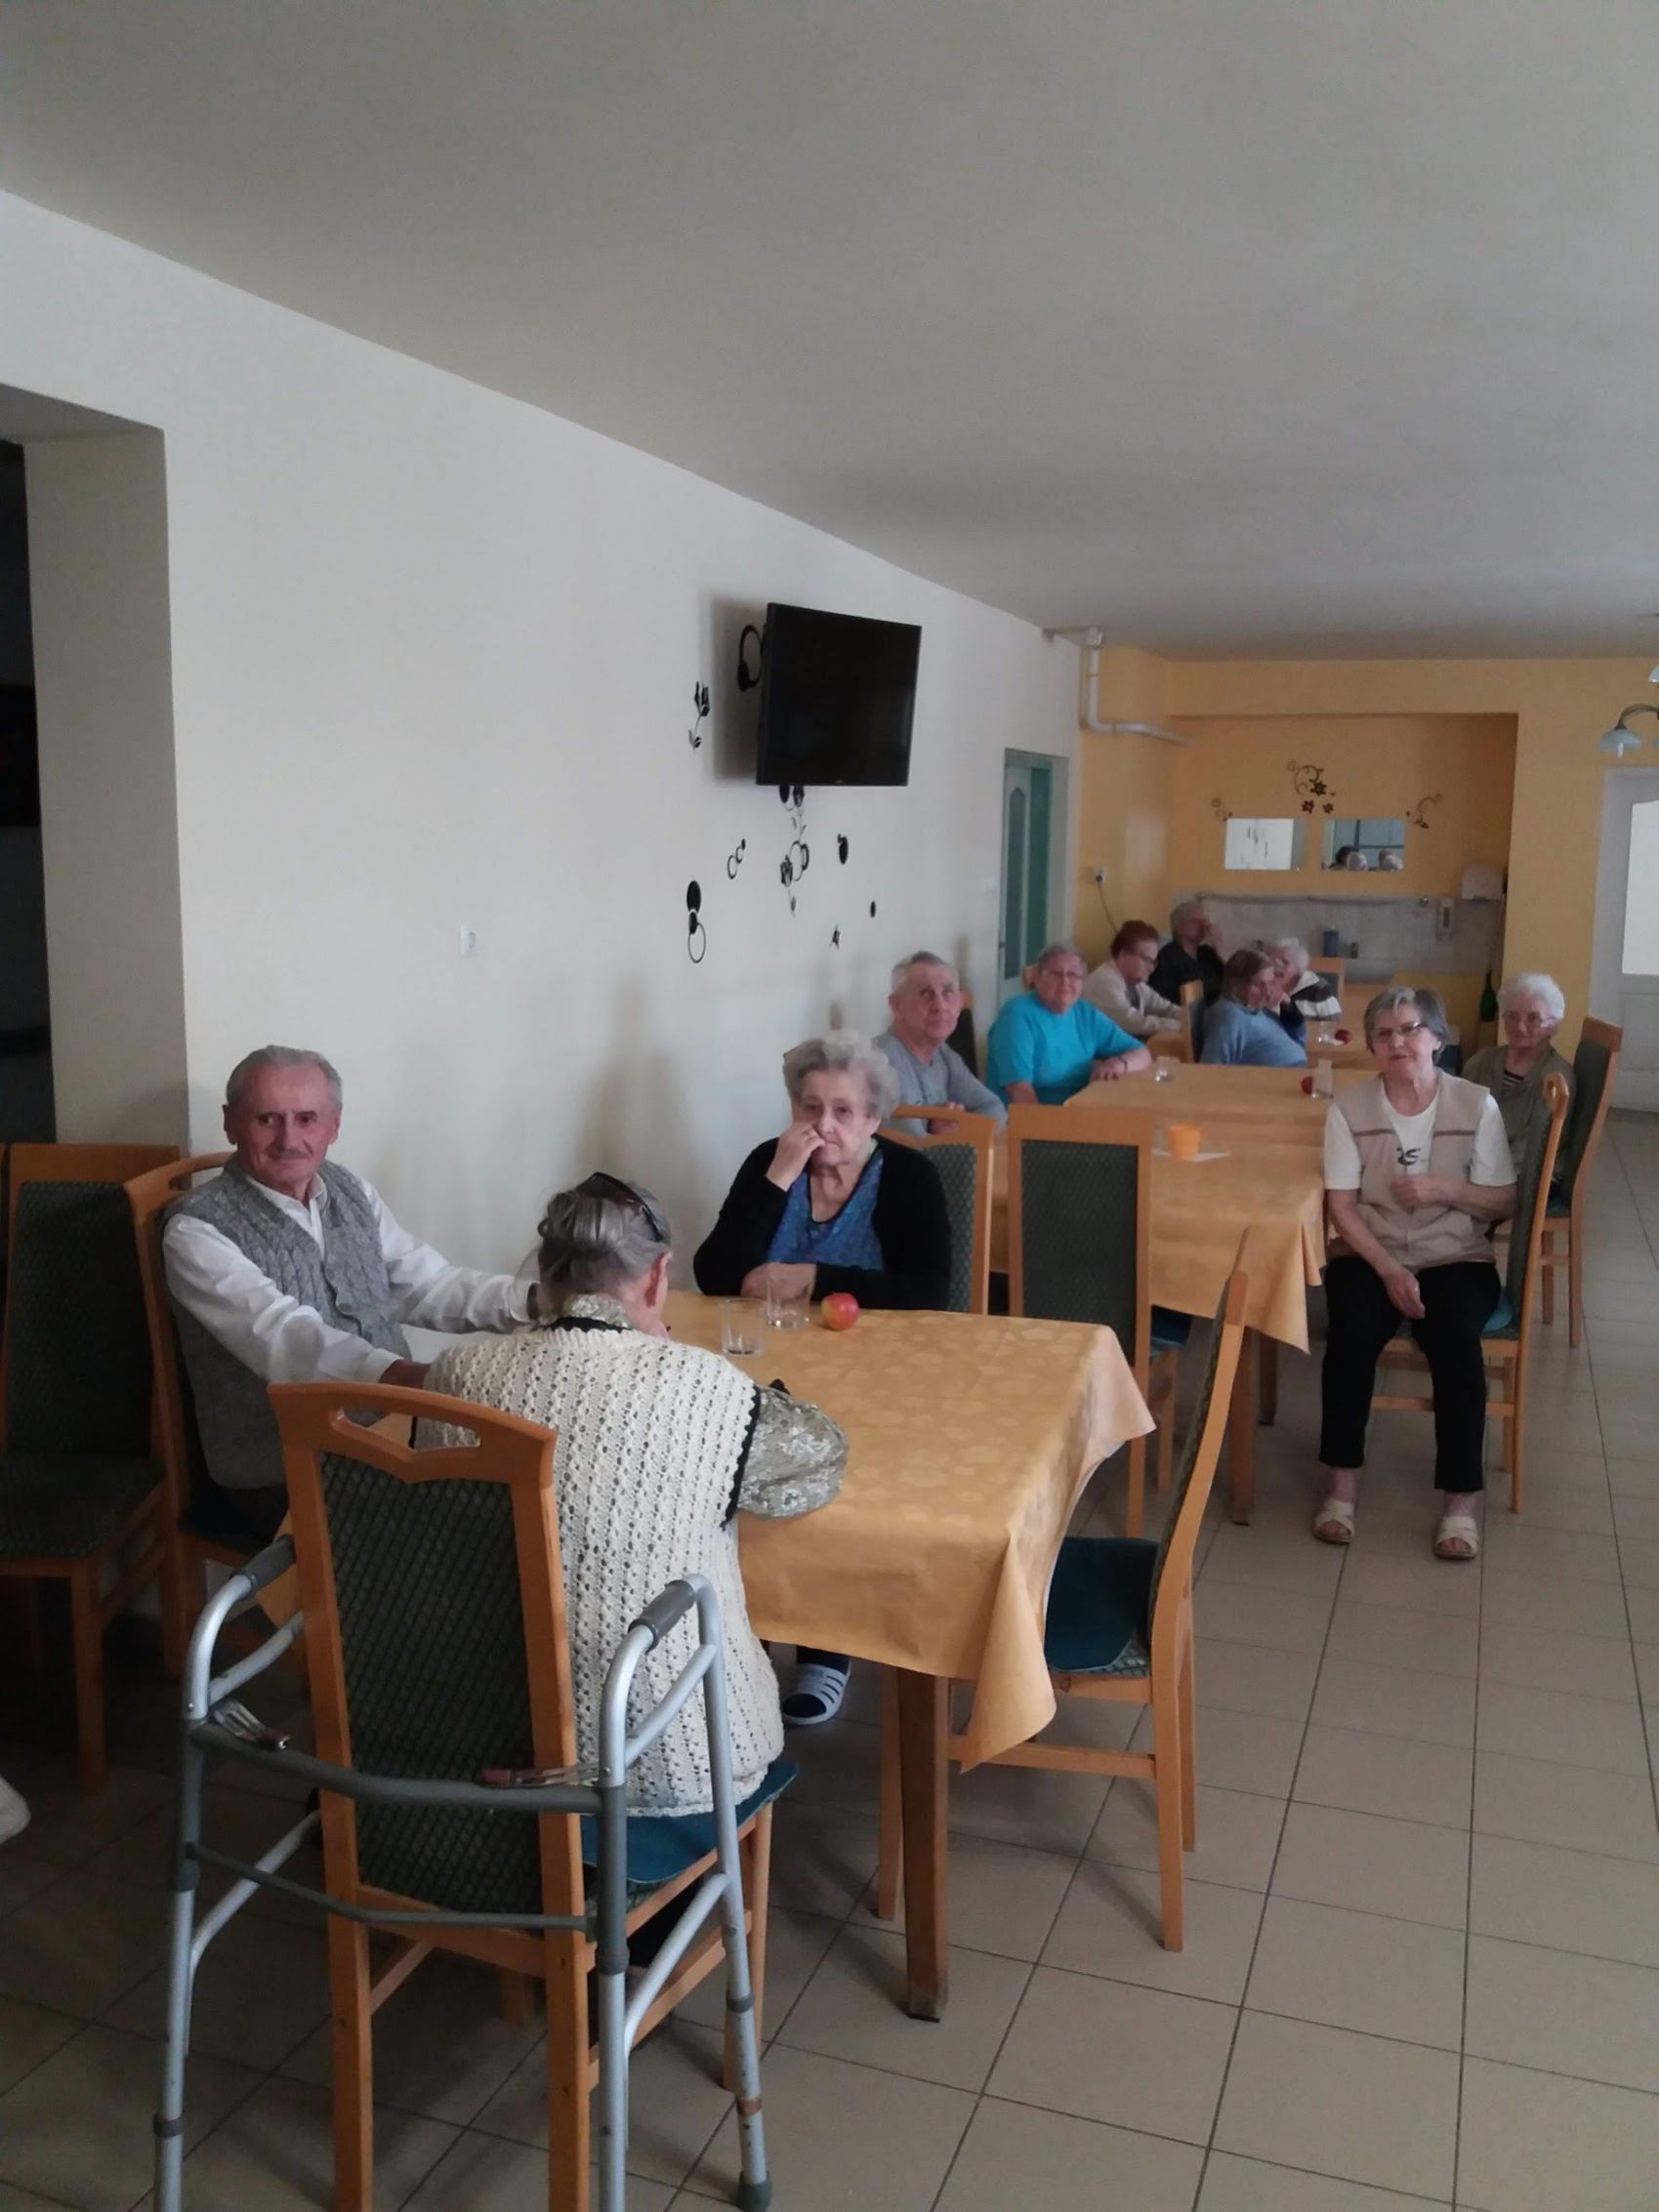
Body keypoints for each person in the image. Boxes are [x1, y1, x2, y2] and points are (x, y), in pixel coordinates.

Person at [426, 1174, 846, 1815]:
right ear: (656, 1278)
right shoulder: (707, 1387)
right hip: (677, 1760)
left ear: (546, 1275)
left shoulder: (455, 1374)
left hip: (488, 1750)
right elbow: (819, 1461)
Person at [164, 1045, 528, 1536]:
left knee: (526, 1495)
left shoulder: (349, 1190)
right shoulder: (196, 1230)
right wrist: (409, 1379)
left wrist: (537, 1302)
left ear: (333, 1126)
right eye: (267, 1119)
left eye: (306, 1119)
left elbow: (427, 1283)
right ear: (230, 1124)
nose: (288, 1140)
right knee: (478, 1531)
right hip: (280, 1466)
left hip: (393, 1430)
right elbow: (287, 1338)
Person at [696, 1031, 949, 1724]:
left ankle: (827, 1645)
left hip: (880, 1374)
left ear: (873, 1118)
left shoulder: (907, 1178)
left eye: (843, 1111)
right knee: (738, 1466)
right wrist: (776, 1181)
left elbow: (930, 1291)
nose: (824, 1126)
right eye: (811, 1108)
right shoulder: (769, 1162)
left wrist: (815, 1277)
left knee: (832, 1482)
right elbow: (714, 1274)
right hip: (774, 1371)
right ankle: (753, 1625)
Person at [1315, 988, 1515, 1561]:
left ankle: (1460, 1501)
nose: (1397, 1041)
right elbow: (1341, 1206)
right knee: (1350, 1334)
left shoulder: (1476, 1105)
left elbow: (1504, 1199)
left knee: (1455, 1342)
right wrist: (1388, 1270)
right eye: (1384, 1033)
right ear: (1373, 1046)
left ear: (1437, 1039)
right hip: (1371, 1254)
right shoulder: (1349, 1109)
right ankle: (1341, 1486)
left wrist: (1444, 1189)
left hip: (1456, 1257)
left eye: (1410, 1029)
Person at [985, 943, 1150, 1104]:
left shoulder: (1085, 1013)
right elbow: (1018, 1089)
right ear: (1037, 978)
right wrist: (1045, 1123)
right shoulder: (1017, 1014)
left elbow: (1142, 1052)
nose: (1065, 981)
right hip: (1031, 1115)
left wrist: (1117, 1065)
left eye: (1073, 975)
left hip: (1078, 1108)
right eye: (1055, 974)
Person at [874, 950, 1006, 1127]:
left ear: (959, 1003)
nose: (940, 1005)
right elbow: (908, 1140)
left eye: (948, 992)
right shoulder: (882, 1061)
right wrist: (938, 1130)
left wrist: (957, 1128)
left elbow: (995, 1108)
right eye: (925, 994)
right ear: (897, 1006)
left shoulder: (944, 1055)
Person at [1463, 973, 1574, 1175]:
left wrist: (1473, 1172)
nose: (1520, 1027)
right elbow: (1456, 1116)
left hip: (1519, 1178)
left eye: (1533, 1018)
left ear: (1554, 1025)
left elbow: (1533, 1152)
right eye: (1512, 1016)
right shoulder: (1481, 1061)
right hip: (1472, 1165)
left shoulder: (1556, 1080)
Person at [1200, 950, 1308, 1067]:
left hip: (1299, 1070)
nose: (1268, 992)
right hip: (1279, 1077)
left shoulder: (1257, 1009)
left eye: (1271, 983)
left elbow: (1300, 1039)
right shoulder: (1229, 1017)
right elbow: (1211, 1066)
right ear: (1236, 985)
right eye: (1260, 985)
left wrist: (1288, 1007)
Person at [1084, 922, 1184, 1041]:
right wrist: (1181, 1026)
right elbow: (1133, 1022)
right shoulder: (1105, 982)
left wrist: (1191, 1018)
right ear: (1123, 954)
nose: (1152, 968)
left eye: (1153, 962)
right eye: (1147, 960)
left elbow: (1165, 1008)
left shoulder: (1135, 982)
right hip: (1095, 1050)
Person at [1149, 900, 1227, 1006]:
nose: (1203, 925)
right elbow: (1162, 998)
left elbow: (1234, 984)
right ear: (1179, 928)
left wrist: (1219, 945)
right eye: (1196, 921)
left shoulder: (1207, 953)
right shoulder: (1169, 957)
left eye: (1204, 920)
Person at [1267, 938, 1343, 1024]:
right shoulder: (1261, 985)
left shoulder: (1318, 989)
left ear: (1298, 967)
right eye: (1272, 961)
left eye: (1285, 962)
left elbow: (1333, 1024)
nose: (1276, 967)